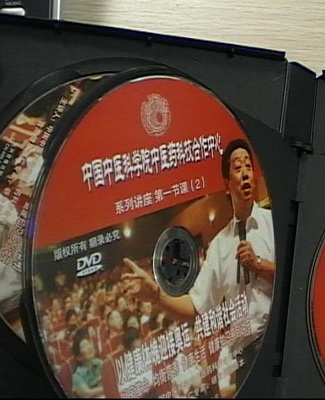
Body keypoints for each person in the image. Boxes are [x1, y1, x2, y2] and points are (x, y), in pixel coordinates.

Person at [123, 138, 275, 394]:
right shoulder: (219, 246)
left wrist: (259, 265)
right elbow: (196, 307)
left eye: (248, 166)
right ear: (227, 184)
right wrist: (156, 296)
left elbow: (295, 274)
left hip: (281, 334)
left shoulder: (273, 222)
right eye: (238, 168)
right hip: (249, 358)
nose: (245, 173)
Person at [71, 329, 104, 398]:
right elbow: (87, 393)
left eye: (89, 343)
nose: (89, 347)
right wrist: (105, 388)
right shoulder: (77, 376)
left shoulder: (99, 362)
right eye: (84, 346)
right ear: (79, 357)